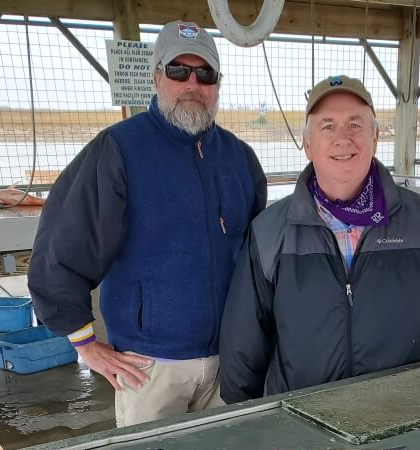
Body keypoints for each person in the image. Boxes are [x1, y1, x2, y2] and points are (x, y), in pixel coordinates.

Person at [28, 21, 267, 427]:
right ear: (157, 77)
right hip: (150, 366)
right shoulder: (118, 150)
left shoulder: (240, 158)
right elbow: (61, 249)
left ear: (217, 83)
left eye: (205, 74)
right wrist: (85, 343)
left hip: (230, 360)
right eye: (179, 71)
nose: (192, 83)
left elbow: (262, 258)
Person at [219, 75, 420, 403]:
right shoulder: (269, 232)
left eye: (355, 125)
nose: (342, 138)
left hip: (400, 418)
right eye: (327, 126)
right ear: (307, 144)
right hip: (300, 421)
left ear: (376, 137)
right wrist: (250, 420)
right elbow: (244, 342)